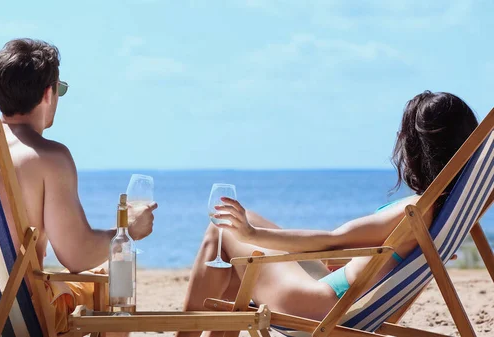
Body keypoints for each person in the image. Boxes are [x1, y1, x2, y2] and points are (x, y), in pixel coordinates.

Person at [178, 91, 478, 337]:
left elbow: (332, 241)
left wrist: (251, 235)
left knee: (223, 231)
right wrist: (355, 261)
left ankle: (183, 335)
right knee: (235, 265)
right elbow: (368, 254)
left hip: (316, 306)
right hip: (338, 296)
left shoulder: (413, 211)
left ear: (416, 149)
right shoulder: (442, 208)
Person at [0, 38, 158, 335]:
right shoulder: (48, 157)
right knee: (113, 275)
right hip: (21, 314)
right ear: (48, 93)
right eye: (60, 88)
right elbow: (76, 257)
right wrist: (127, 230)